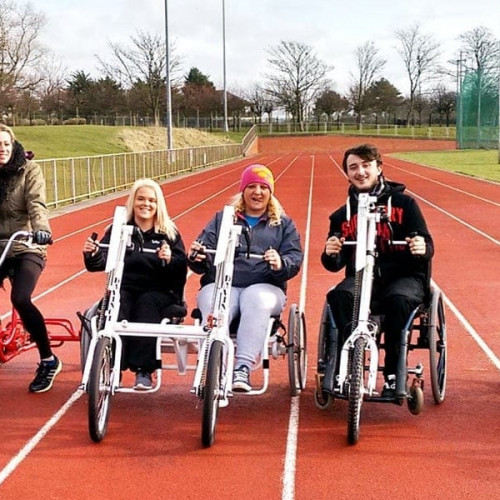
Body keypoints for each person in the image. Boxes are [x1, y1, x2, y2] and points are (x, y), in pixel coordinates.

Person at [320, 143, 434, 398]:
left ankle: (394, 374)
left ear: (378, 168)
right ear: (347, 174)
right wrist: (331, 251)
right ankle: (343, 367)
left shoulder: (405, 204)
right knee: (339, 296)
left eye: (366, 165)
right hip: (362, 278)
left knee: (399, 301)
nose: (360, 172)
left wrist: (420, 246)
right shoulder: (341, 215)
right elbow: (333, 264)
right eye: (353, 167)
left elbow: (427, 245)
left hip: (403, 278)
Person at [188, 164, 303, 392]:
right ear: (243, 190)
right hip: (222, 282)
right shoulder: (223, 218)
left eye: (263, 187)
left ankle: (242, 367)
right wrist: (199, 256)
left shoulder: (283, 224)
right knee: (216, 299)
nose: (257, 192)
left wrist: (281, 262)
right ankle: (211, 364)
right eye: (251, 186)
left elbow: (294, 258)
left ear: (270, 193)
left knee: (255, 298)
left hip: (265, 287)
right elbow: (202, 252)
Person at [83, 178, 187, 390]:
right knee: (116, 305)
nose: (145, 204)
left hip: (160, 291)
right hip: (126, 288)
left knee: (146, 305)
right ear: (133, 201)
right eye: (140, 199)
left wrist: (169, 260)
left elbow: (180, 270)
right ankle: (112, 366)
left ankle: (144, 370)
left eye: (151, 200)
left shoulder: (169, 232)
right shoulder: (118, 229)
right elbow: (100, 262)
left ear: (158, 205)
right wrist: (93, 253)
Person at [0, 124, 59, 393]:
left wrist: (42, 231)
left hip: (25, 245)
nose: (1, 149)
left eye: (6, 145)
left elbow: (37, 203)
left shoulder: (28, 170)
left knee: (20, 298)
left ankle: (48, 360)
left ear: (13, 147)